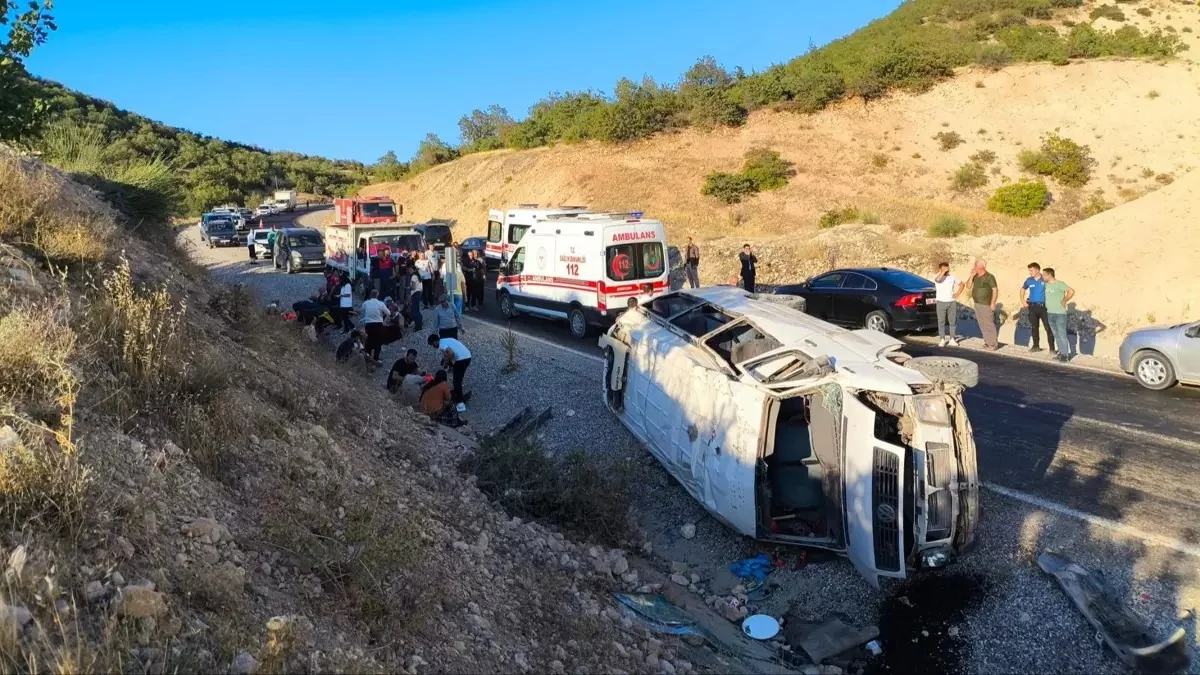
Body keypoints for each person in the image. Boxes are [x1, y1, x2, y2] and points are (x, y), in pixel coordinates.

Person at [428, 333, 471, 408]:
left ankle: (460, 401)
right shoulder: (446, 340)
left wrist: (447, 363)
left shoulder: (441, 345)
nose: (433, 346)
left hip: (461, 360)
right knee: (458, 378)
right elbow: (448, 353)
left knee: (456, 381)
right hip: (468, 356)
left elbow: (450, 353)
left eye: (432, 344)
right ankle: (456, 392)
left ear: (435, 341)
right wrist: (446, 361)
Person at [1042, 268, 1075, 362]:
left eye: (1044, 275)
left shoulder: (1060, 284)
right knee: (1056, 334)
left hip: (1060, 313)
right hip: (1050, 313)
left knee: (1062, 334)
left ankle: (1065, 355)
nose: (1043, 276)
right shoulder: (1046, 285)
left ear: (1049, 275)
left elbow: (1071, 291)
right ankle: (1060, 352)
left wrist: (1064, 300)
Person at [1021, 262, 1053, 354]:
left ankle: (1052, 349)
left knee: (1048, 327)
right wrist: (1023, 301)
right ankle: (1036, 346)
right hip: (1032, 307)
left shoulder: (1045, 279)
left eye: (1031, 270)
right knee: (1034, 327)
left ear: (1037, 270)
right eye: (1029, 271)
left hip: (1044, 307)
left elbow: (1053, 287)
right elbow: (1023, 289)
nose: (1030, 272)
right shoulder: (1029, 280)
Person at [967, 259, 999, 350]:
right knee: (982, 324)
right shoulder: (975, 276)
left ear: (980, 267)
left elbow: (995, 290)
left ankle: (993, 344)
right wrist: (971, 276)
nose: (974, 267)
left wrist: (993, 303)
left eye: (975, 265)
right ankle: (987, 342)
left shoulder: (989, 277)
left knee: (988, 324)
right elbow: (968, 286)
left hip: (986, 304)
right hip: (977, 304)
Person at [933, 262, 963, 347]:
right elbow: (937, 280)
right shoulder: (937, 276)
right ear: (940, 269)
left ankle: (952, 339)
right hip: (941, 302)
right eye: (943, 268)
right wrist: (942, 272)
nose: (946, 270)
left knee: (952, 321)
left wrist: (958, 293)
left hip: (951, 302)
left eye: (947, 268)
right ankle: (942, 339)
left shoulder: (952, 277)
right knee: (941, 321)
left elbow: (962, 284)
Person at [359, 289, 389, 363]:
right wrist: (382, 316)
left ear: (370, 295)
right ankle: (376, 358)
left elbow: (361, 310)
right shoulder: (381, 303)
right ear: (377, 295)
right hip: (378, 324)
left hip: (369, 324)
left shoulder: (366, 303)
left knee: (368, 341)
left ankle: (368, 357)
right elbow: (388, 313)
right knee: (378, 342)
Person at [407, 265, 424, 331]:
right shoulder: (418, 276)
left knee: (414, 311)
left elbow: (413, 287)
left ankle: (418, 326)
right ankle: (419, 323)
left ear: (414, 270)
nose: (409, 271)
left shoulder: (413, 276)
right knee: (416, 310)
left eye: (410, 269)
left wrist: (408, 287)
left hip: (415, 294)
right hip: (418, 293)